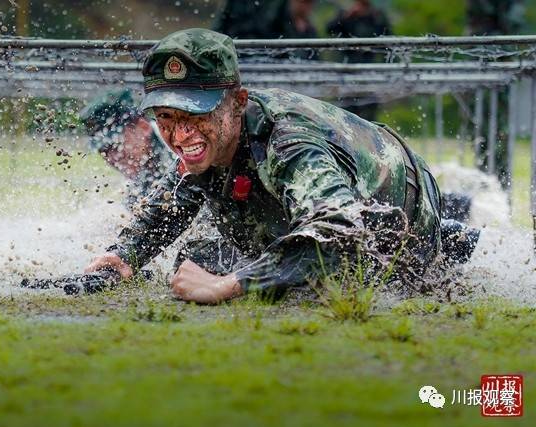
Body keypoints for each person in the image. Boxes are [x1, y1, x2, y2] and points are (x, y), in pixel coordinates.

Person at [85, 28, 478, 304]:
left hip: (399, 210)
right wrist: (120, 258)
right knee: (197, 256)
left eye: (196, 114)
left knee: (335, 279)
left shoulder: (288, 144)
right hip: (305, 202)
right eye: (166, 117)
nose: (181, 132)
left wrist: (229, 285)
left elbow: (341, 229)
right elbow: (173, 202)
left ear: (237, 103)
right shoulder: (208, 142)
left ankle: (450, 239)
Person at [79, 88, 174, 205]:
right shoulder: (135, 194)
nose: (113, 157)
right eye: (103, 151)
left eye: (115, 145)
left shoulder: (182, 154)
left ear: (143, 127)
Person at [466, 0, 524, 189]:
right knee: (478, 127)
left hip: (499, 58)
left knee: (499, 131)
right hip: (481, 57)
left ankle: (500, 181)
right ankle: (485, 179)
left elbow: (513, 22)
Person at [326, 0, 391, 121]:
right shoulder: (347, 15)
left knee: (369, 108)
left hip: (369, 70)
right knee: (346, 108)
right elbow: (330, 29)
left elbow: (387, 42)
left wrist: (386, 73)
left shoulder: (377, 17)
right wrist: (346, 16)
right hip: (347, 70)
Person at [214, 0, 319, 59]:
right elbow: (220, 26)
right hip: (236, 53)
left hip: (266, 56)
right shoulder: (234, 3)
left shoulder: (276, 7)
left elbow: (283, 26)